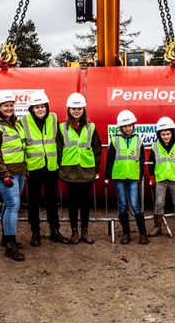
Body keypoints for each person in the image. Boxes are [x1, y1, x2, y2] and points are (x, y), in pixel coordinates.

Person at [19, 92, 69, 246]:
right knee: (33, 201)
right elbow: (22, 145)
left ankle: (55, 230)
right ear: (31, 108)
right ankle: (35, 232)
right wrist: (25, 165)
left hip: (51, 166)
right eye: (36, 107)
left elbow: (59, 141)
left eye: (42, 106)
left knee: (51, 200)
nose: (40, 110)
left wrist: (60, 162)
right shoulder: (24, 121)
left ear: (47, 107)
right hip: (34, 167)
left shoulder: (53, 118)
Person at [56, 92, 102, 244]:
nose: (77, 111)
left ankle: (84, 232)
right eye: (74, 108)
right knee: (73, 203)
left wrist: (96, 169)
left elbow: (97, 149)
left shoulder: (91, 127)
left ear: (84, 109)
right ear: (68, 109)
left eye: (79, 108)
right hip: (70, 172)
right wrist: (59, 169)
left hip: (86, 171)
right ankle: (74, 232)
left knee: (85, 203)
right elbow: (58, 149)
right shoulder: (62, 128)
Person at [0, 92, 26, 261]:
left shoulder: (16, 124)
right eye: (5, 105)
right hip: (5, 173)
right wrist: (4, 173)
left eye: (11, 105)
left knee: (8, 204)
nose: (9, 108)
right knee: (13, 204)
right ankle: (11, 245)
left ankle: (6, 238)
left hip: (19, 171)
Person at [105, 109, 149, 245]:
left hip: (133, 178)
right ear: (120, 127)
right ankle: (126, 234)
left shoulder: (138, 140)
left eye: (130, 125)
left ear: (133, 126)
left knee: (135, 205)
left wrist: (140, 175)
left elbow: (142, 160)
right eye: (125, 126)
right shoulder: (115, 140)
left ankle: (143, 234)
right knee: (122, 205)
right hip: (119, 177)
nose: (128, 128)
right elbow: (110, 159)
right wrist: (107, 176)